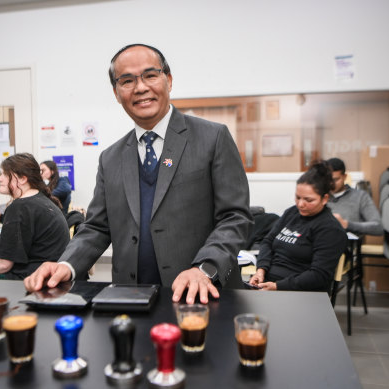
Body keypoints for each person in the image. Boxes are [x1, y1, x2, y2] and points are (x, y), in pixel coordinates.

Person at [24, 44, 252, 304]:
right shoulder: (111, 158)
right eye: (127, 80)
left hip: (203, 296)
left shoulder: (213, 138)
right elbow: (97, 227)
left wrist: (205, 268)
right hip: (130, 298)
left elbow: (235, 217)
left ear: (169, 80)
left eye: (150, 75)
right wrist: (66, 265)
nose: (140, 87)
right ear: (116, 92)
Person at [0, 153, 69, 279]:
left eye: (4, 174)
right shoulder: (43, 200)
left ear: (22, 179)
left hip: (30, 279)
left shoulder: (20, 207)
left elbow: (4, 265)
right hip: (47, 275)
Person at [249, 161, 347, 291]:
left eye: (308, 200)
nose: (300, 204)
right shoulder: (292, 212)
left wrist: (278, 286)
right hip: (269, 284)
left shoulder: (330, 229)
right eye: (298, 197)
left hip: (300, 293)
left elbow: (319, 275)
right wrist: (261, 270)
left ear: (325, 199)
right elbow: (268, 241)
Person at [326, 157, 383, 236]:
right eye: (328, 179)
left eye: (336, 179)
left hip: (350, 245)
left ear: (345, 176)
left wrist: (347, 225)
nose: (331, 183)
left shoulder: (360, 197)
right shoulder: (320, 197)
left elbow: (378, 227)